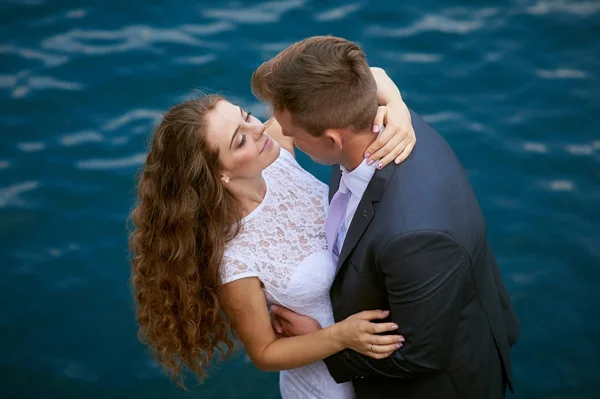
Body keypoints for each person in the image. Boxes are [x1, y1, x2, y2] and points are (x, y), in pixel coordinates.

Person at [256, 36, 520, 399]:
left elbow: (419, 357)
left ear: (333, 141)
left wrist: (320, 345)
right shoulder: (368, 110)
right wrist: (396, 100)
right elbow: (374, 75)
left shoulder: (413, 237)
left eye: (293, 134)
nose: (282, 135)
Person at [129, 67, 416, 398]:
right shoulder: (234, 259)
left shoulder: (275, 151)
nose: (257, 128)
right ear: (219, 174)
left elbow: (365, 75)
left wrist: (397, 108)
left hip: (374, 357)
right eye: (239, 140)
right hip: (324, 383)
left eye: (246, 115)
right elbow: (264, 353)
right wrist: (339, 336)